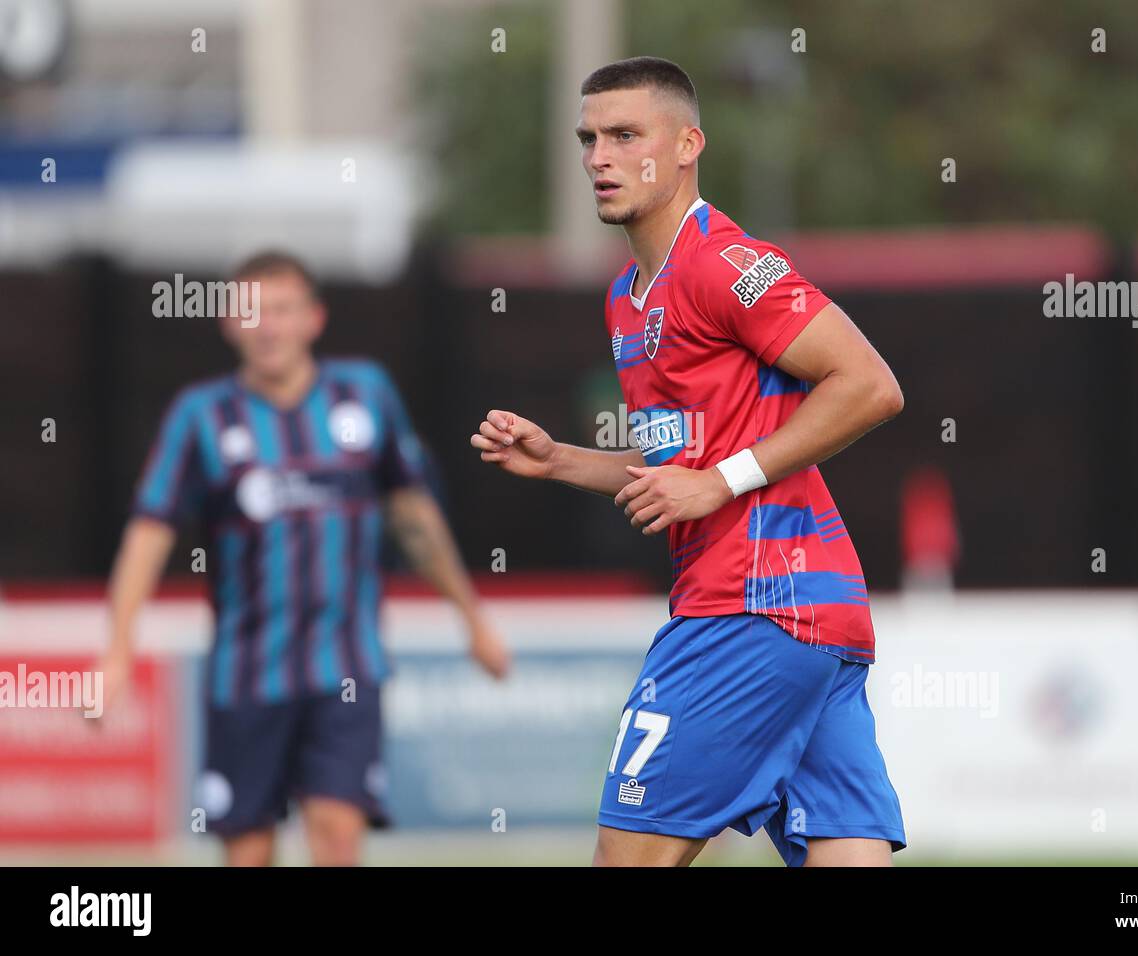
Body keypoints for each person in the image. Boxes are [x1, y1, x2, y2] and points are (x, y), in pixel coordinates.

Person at [472, 57, 905, 866]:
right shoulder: (628, 297)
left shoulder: (721, 261)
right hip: (813, 618)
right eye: (589, 138)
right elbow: (683, 463)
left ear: (686, 146)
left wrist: (720, 482)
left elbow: (871, 386)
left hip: (750, 607)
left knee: (627, 859)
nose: (599, 156)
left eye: (625, 135)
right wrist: (560, 460)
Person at [103, 250, 510, 865]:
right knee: (248, 851)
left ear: (313, 319)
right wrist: (117, 649)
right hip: (245, 675)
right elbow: (148, 534)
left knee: (337, 833)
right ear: (229, 324)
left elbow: (414, 518)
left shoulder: (365, 394)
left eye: (283, 309)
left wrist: (472, 618)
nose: (267, 326)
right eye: (252, 312)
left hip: (346, 671)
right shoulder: (200, 416)